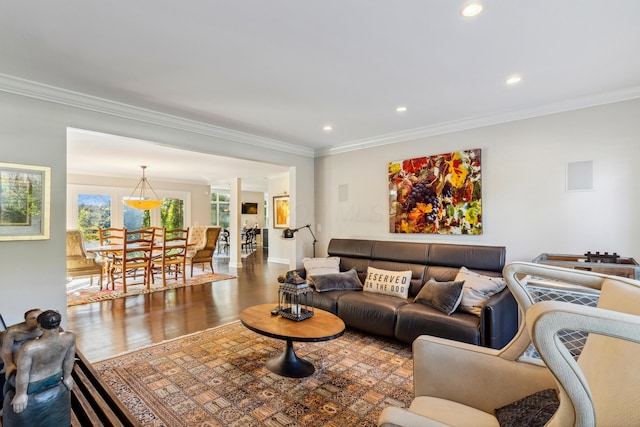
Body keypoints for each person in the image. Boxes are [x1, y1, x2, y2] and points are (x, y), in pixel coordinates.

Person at [3, 310, 75, 426]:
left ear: (40, 326)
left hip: (33, 384)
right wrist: (67, 376)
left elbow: (23, 373)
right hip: (55, 377)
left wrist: (21, 394)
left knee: (9, 378)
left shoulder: (29, 348)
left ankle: (4, 405)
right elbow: (69, 358)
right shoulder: (69, 337)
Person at [1, 309, 42, 381]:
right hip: (12, 344)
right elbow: (6, 350)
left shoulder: (44, 327)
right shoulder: (13, 331)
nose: (37, 320)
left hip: (29, 343)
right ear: (26, 320)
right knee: (19, 363)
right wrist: (9, 365)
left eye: (40, 316)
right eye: (32, 318)